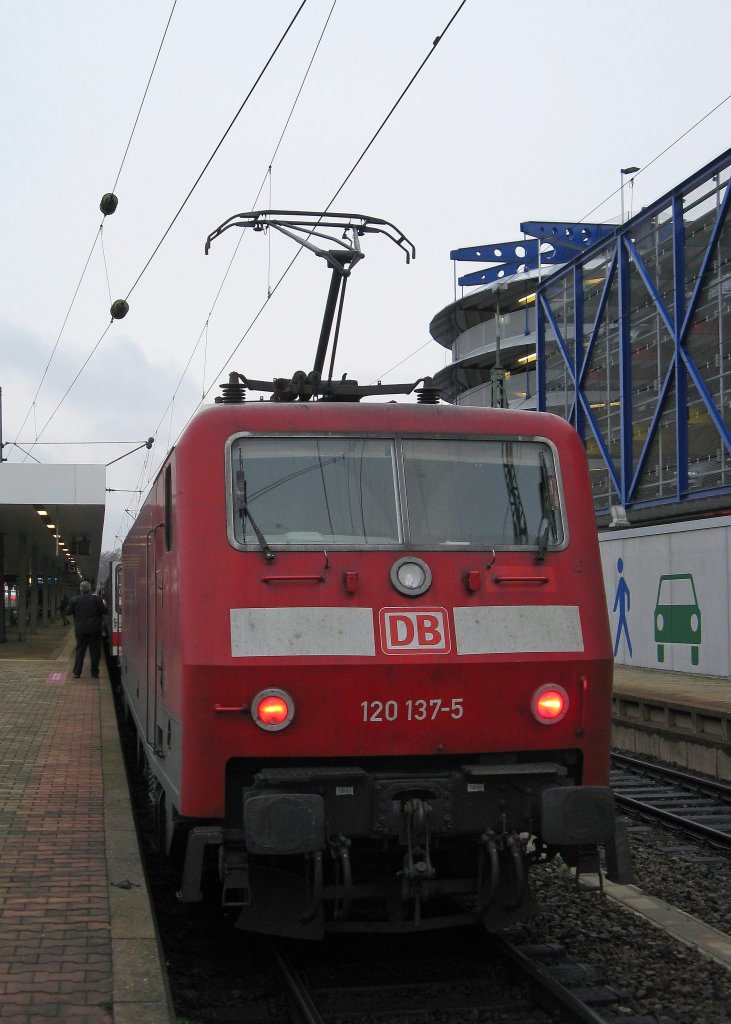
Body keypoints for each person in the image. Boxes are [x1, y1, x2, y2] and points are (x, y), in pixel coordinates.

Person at [68, 581, 106, 679]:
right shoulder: (97, 599)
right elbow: (104, 611)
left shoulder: (75, 600)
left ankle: (77, 672)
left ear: (80, 589)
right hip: (95, 630)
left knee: (80, 651)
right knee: (95, 652)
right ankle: (94, 673)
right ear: (89, 589)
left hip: (80, 630)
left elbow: (68, 612)